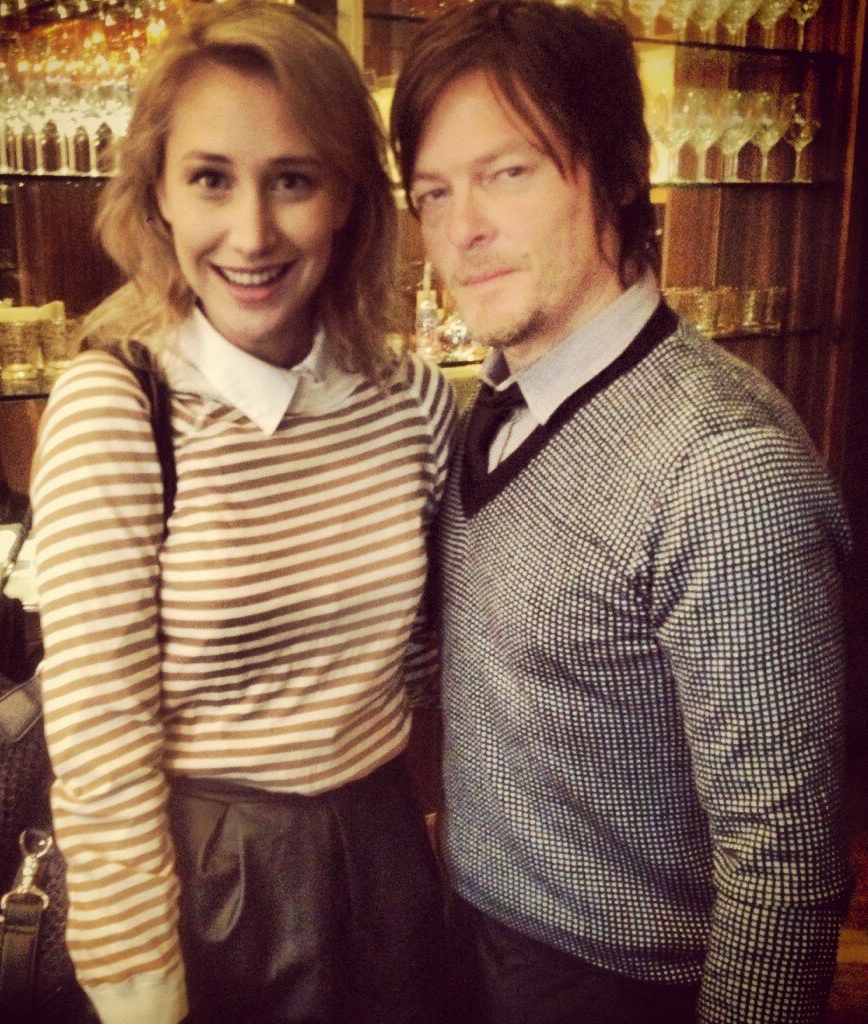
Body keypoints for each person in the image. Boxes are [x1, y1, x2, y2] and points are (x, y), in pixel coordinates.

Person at [390, 2, 851, 1022]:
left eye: (508, 172)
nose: (461, 229)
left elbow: (784, 869)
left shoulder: (720, 469)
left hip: (618, 985)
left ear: (619, 170)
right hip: (469, 932)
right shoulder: (497, 401)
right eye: (433, 192)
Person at [30, 4, 456, 1023]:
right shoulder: (116, 407)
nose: (252, 233)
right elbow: (100, 744)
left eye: (293, 179)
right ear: (159, 194)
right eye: (211, 179)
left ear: (348, 197)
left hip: (387, 852)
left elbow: (421, 661)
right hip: (204, 880)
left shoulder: (411, 399)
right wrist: (140, 995)